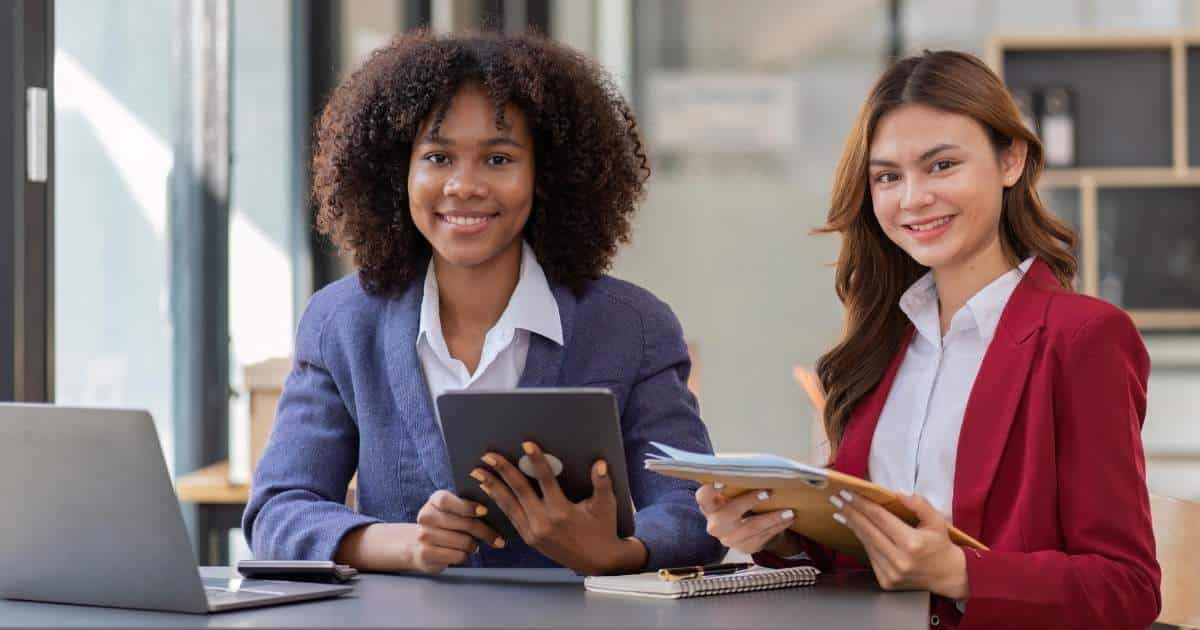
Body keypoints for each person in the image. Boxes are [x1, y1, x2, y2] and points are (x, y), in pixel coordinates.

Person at [694, 50, 1159, 628]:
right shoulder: (882, 342)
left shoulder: (1083, 338)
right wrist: (774, 534)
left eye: (941, 166)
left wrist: (958, 573)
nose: (912, 198)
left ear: (1010, 159)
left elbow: (1128, 587)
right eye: (888, 176)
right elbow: (861, 556)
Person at [243, 30, 722, 576]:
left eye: (498, 158)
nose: (464, 186)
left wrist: (617, 552)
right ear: (399, 172)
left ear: (546, 175)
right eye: (438, 156)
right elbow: (277, 513)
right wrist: (401, 545)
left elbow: (695, 511)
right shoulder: (342, 322)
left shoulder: (630, 327)